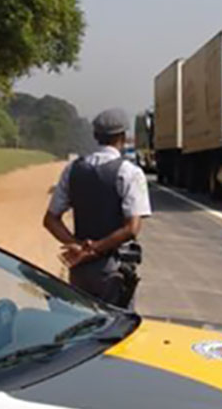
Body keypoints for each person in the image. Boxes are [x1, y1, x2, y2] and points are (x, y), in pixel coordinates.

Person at [44, 108, 151, 308]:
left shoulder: (73, 169)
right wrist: (95, 249)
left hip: (79, 268)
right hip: (113, 268)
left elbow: (51, 220)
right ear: (123, 136)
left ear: (96, 136)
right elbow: (132, 228)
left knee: (82, 325)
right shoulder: (129, 172)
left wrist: (77, 247)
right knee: (117, 329)